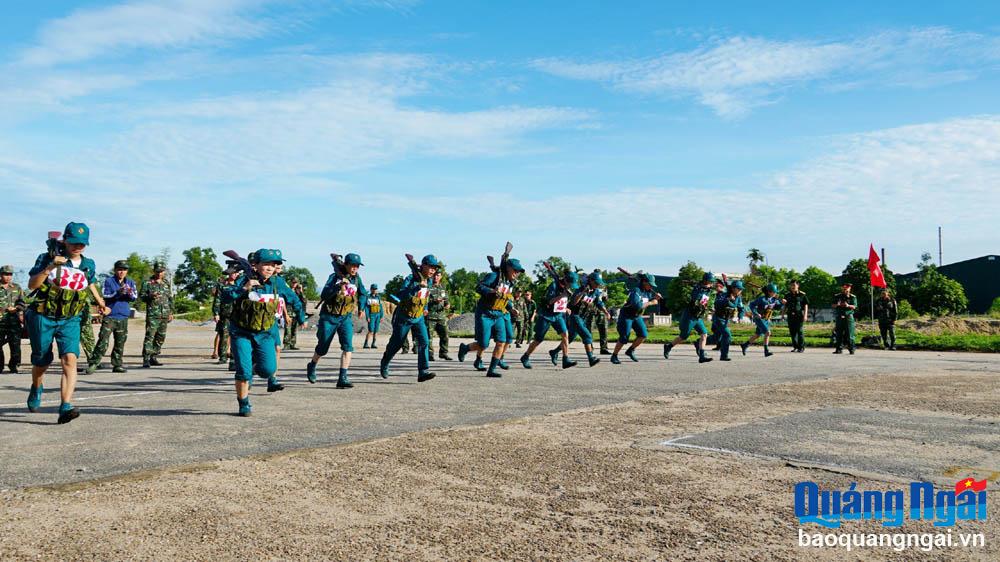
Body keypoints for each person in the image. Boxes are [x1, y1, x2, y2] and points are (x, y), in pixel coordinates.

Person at [25, 222, 111, 424]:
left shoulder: (88, 264)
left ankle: (65, 405)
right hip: (42, 316)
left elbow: (89, 282)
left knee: (70, 359)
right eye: (73, 242)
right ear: (64, 240)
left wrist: (100, 303)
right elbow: (32, 284)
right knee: (41, 360)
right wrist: (51, 267)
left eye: (82, 243)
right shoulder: (47, 257)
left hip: (70, 318)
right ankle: (37, 387)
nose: (78, 246)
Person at [220, 248, 306, 416]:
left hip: (265, 334)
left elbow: (293, 298)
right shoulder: (244, 278)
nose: (269, 268)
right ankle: (243, 403)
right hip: (241, 332)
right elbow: (225, 296)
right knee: (243, 373)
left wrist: (301, 317)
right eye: (266, 264)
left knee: (268, 370)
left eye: (273, 265)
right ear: (256, 265)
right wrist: (244, 288)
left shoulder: (277, 283)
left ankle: (252, 366)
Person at [306, 253, 368, 389]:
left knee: (348, 346)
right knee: (323, 347)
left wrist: (362, 307)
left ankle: (342, 378)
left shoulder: (357, 279)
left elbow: (363, 293)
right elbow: (324, 295)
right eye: (353, 265)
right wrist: (338, 285)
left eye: (357, 266)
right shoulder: (334, 277)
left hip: (345, 317)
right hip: (329, 317)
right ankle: (312, 364)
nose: (355, 268)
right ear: (346, 265)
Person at [458, 258, 525, 377]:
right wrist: (491, 291)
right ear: (508, 269)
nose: (517, 273)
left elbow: (504, 298)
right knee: (483, 344)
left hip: (499, 314)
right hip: (485, 314)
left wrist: (511, 308)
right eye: (515, 271)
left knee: (501, 342)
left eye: (518, 271)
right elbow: (479, 287)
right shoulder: (494, 276)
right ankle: (465, 348)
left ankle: (491, 370)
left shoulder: (510, 283)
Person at [379, 255, 440, 382]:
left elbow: (424, 296)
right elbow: (401, 294)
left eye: (435, 268)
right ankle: (385, 360)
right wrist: (417, 286)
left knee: (424, 342)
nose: (433, 270)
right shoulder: (411, 278)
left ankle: (423, 371)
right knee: (397, 344)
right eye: (431, 267)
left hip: (418, 317)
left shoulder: (429, 281)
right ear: (423, 265)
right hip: (403, 316)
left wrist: (425, 308)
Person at [519, 269, 578, 370]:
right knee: (538, 339)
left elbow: (561, 303)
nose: (571, 286)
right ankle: (525, 356)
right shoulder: (554, 285)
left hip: (558, 315)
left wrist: (565, 308)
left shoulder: (566, 288)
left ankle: (565, 359)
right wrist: (562, 295)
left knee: (565, 335)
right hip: (546, 315)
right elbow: (550, 301)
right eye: (570, 284)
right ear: (567, 281)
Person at [549, 271, 609, 367]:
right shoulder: (579, 289)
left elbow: (599, 303)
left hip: (583, 317)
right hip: (574, 316)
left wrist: (606, 311)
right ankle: (591, 358)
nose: (598, 285)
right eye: (596, 283)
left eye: (599, 283)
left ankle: (554, 352)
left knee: (570, 338)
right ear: (590, 281)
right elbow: (573, 303)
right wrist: (583, 292)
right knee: (587, 336)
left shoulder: (596, 292)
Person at [87, 260, 137, 373]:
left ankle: (117, 364)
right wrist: (118, 293)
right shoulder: (108, 281)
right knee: (103, 340)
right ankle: (94, 363)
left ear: (127, 271)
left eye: (124, 270)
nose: (122, 272)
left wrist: (128, 293)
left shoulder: (130, 282)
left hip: (123, 315)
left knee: (120, 341)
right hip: (110, 315)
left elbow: (135, 296)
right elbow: (105, 294)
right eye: (119, 269)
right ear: (115, 270)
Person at [663, 272, 716, 364]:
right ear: (706, 281)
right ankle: (668, 346)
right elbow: (697, 299)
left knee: (704, 334)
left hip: (697, 317)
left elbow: (705, 300)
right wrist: (703, 288)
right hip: (690, 316)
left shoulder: (707, 289)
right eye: (710, 282)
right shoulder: (697, 289)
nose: (712, 283)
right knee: (684, 336)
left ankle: (702, 356)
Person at [609, 273, 660, 364]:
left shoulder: (647, 292)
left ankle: (630, 350)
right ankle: (614, 356)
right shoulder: (636, 291)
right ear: (644, 282)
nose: (651, 286)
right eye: (650, 284)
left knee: (643, 334)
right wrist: (652, 302)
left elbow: (647, 300)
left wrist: (655, 298)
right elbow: (638, 306)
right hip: (626, 316)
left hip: (636, 316)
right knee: (624, 337)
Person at [140, 262, 173, 368]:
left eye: (161, 271)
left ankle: (153, 356)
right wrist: (150, 295)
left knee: (160, 337)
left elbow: (170, 299)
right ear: (154, 271)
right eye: (157, 271)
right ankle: (146, 358)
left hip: (164, 314)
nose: (159, 273)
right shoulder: (147, 283)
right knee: (150, 336)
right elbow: (142, 296)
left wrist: (171, 312)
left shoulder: (166, 283)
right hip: (153, 315)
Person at [740, 283, 785, 357]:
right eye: (774, 292)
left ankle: (745, 345)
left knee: (758, 335)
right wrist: (755, 313)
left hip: (766, 319)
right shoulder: (762, 299)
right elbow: (752, 305)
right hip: (759, 319)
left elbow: (777, 307)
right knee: (767, 332)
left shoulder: (774, 300)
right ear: (769, 292)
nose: (775, 293)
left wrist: (782, 303)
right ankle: (766, 351)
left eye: (776, 292)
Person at [713, 280, 747, 361]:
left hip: (725, 319)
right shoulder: (724, 295)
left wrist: (740, 317)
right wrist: (728, 300)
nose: (740, 291)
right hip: (718, 318)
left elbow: (741, 308)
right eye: (739, 289)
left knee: (716, 338)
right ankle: (724, 356)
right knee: (727, 335)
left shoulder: (738, 298)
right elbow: (717, 303)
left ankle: (698, 343)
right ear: (733, 289)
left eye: (741, 289)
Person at [0, 265, 25, 373]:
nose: (8, 277)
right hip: (0, 321)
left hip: (14, 321)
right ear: (1, 275)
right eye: (6, 274)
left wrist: (16, 308)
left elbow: (22, 303)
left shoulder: (17, 287)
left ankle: (13, 365)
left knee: (15, 344)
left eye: (10, 274)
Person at [213, 267, 239, 367]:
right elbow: (217, 300)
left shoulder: (239, 285)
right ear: (230, 274)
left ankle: (233, 357)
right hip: (225, 314)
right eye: (234, 273)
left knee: (235, 336)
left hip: (237, 315)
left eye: (237, 273)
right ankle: (223, 357)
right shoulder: (222, 285)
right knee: (224, 335)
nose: (236, 275)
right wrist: (216, 313)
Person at [425, 270, 452, 361]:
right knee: (429, 337)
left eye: (438, 275)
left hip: (441, 316)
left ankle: (443, 353)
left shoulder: (442, 287)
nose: (436, 277)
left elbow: (446, 300)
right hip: (430, 316)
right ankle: (430, 354)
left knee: (445, 335)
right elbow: (424, 300)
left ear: (440, 277)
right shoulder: (428, 287)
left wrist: (447, 305)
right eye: (435, 275)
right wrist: (434, 301)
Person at [832, 282, 858, 354]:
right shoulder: (837, 296)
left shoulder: (852, 297)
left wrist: (848, 305)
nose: (845, 289)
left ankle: (851, 348)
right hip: (839, 317)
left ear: (850, 288)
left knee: (850, 334)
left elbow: (854, 306)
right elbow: (833, 305)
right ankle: (839, 349)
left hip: (848, 317)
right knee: (839, 333)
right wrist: (837, 304)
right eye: (844, 288)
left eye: (847, 288)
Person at [784, 279, 810, 352]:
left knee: (799, 331)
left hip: (799, 315)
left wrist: (805, 315)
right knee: (792, 332)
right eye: (791, 285)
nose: (793, 286)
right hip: (790, 315)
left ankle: (801, 347)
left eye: (794, 285)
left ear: (798, 286)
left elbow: (805, 305)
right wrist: (782, 314)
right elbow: (785, 305)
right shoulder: (787, 295)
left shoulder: (802, 294)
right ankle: (795, 346)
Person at [284, 277, 307, 350]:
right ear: (290, 282)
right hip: (289, 312)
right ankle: (286, 344)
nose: (294, 284)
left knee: (294, 329)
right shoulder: (287, 290)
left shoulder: (298, 292)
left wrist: (301, 291)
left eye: (296, 282)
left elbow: (304, 301)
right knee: (288, 329)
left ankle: (292, 344)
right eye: (293, 282)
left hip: (296, 313)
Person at [363, 284, 384, 349]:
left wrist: (381, 316)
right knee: (371, 330)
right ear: (371, 289)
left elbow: (380, 307)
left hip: (377, 315)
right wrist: (367, 316)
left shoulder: (378, 297)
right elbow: (366, 308)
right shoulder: (368, 297)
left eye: (376, 289)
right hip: (371, 315)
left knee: (376, 331)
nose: (375, 290)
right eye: (373, 289)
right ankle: (366, 344)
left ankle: (373, 344)